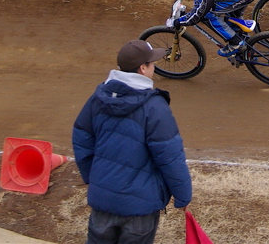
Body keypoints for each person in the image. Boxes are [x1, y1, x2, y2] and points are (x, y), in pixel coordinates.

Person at [72, 39, 193, 243]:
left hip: (103, 202)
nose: (154, 67)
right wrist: (183, 196)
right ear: (143, 68)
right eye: (152, 63)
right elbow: (170, 157)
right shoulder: (155, 106)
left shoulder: (98, 98)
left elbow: (82, 138)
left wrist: (94, 178)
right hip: (141, 208)